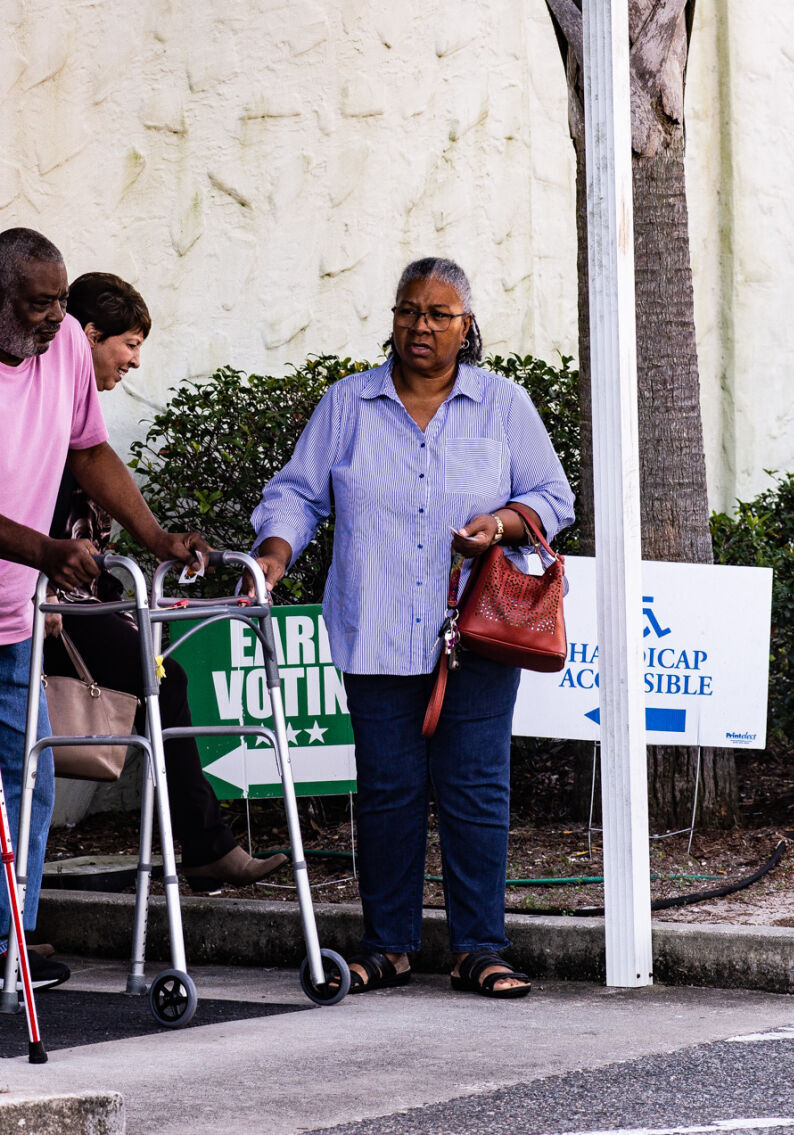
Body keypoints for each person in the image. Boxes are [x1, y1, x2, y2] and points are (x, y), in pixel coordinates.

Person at [0, 233, 211, 997]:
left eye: (63, 301)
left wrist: (156, 534)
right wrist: (41, 549)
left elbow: (89, 450)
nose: (58, 318)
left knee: (18, 784)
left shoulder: (63, 345)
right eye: (41, 302)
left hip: (10, 614)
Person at [251, 257, 573, 999]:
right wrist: (273, 554)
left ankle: (479, 948)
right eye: (407, 310)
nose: (419, 326)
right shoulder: (347, 405)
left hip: (478, 634)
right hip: (376, 628)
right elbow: (298, 494)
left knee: (476, 790)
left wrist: (501, 523)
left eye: (437, 314)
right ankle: (388, 945)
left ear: (467, 327)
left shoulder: (502, 405)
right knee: (388, 792)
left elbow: (553, 495)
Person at [42, 272, 287, 886]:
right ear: (89, 335)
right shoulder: (45, 393)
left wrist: (158, 540)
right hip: (49, 602)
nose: (134, 361)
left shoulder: (73, 403)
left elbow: (94, 460)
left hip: (81, 596)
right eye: (128, 343)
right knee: (161, 680)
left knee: (160, 680)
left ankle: (201, 845)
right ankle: (205, 847)